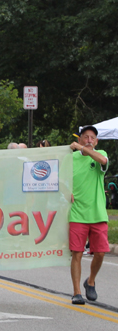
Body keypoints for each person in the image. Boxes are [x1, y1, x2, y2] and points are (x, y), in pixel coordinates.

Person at [69, 125, 109, 305]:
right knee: (77, 253)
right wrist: (66, 191)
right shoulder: (71, 158)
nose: (89, 140)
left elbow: (102, 160)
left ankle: (90, 280)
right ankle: (77, 292)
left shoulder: (100, 153)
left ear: (97, 141)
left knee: (100, 252)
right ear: (79, 139)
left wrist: (83, 149)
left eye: (92, 138)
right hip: (77, 213)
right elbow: (60, 178)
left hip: (98, 213)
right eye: (85, 137)